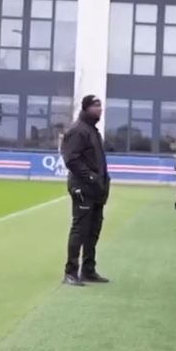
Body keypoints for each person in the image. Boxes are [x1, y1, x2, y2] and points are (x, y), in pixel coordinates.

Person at [60, 95, 111, 286]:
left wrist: (101, 181)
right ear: (86, 108)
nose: (99, 110)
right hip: (83, 187)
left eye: (100, 106)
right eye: (95, 106)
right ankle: (70, 272)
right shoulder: (77, 130)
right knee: (80, 229)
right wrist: (89, 176)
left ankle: (88, 269)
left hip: (97, 188)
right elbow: (71, 159)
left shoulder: (93, 131)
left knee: (93, 230)